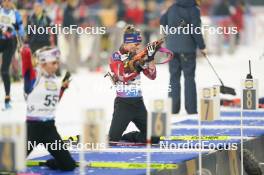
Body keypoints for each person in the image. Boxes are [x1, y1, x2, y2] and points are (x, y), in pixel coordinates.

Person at [21, 46, 76, 171]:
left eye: (57, 62)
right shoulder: (34, 76)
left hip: (49, 129)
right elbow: (26, 66)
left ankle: (52, 162)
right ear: (43, 62)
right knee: (9, 164)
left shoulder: (55, 80)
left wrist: (62, 89)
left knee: (69, 166)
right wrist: (26, 52)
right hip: (32, 129)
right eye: (53, 63)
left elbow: (54, 102)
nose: (56, 66)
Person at [108, 25, 159, 143]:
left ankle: (129, 137)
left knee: (154, 138)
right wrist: (137, 68)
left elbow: (152, 76)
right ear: (128, 42)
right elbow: (122, 77)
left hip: (138, 103)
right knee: (112, 141)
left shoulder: (137, 56)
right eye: (136, 44)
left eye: (139, 44)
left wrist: (150, 59)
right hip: (124, 104)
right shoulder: (116, 56)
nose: (138, 47)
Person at [160, 0, 206, 114]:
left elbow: (162, 21)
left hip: (172, 48)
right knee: (189, 78)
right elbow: (196, 29)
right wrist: (202, 46)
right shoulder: (194, 9)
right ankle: (191, 109)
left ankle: (173, 108)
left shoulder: (172, 7)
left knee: (173, 78)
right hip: (187, 49)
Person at [0, 0, 24, 109]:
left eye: (9, 1)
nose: (7, 3)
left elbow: (21, 30)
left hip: (10, 43)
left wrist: (13, 31)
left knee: (4, 70)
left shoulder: (15, 14)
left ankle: (7, 97)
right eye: (5, 1)